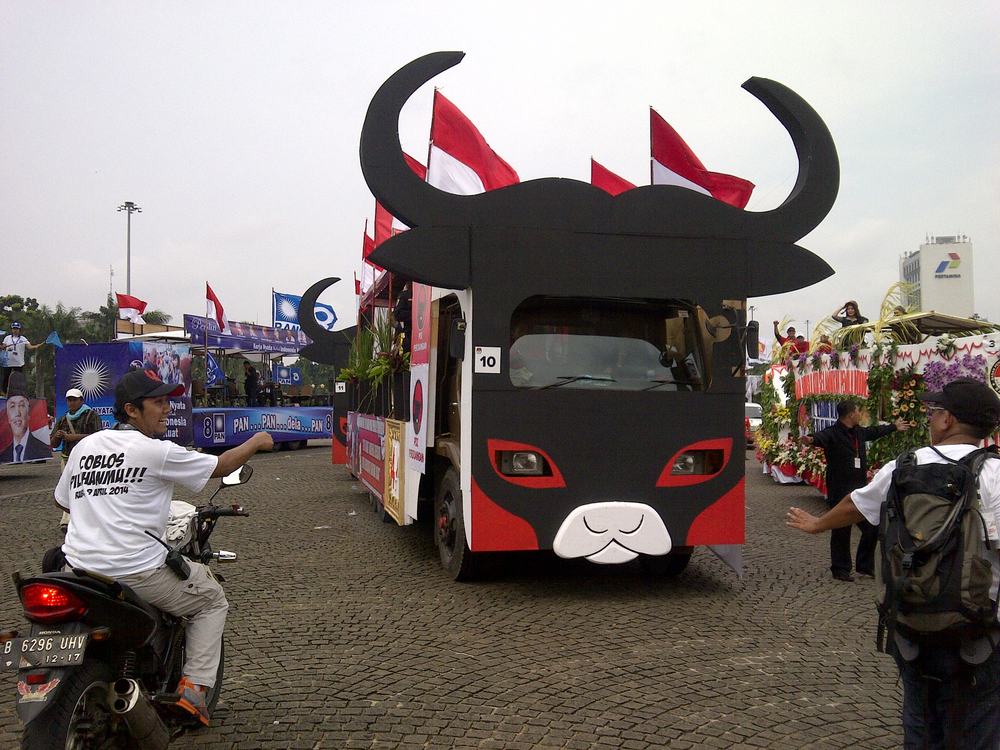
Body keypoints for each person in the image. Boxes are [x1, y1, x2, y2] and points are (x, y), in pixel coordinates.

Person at [54, 369, 274, 725]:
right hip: (136, 572)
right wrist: (255, 442)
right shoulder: (154, 451)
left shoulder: (84, 447)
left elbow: (62, 501)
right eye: (158, 402)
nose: (167, 409)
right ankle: (194, 691)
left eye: (168, 401)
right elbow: (221, 465)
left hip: (76, 572)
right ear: (131, 410)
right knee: (211, 599)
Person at [787, 378, 1000, 747]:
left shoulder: (904, 466)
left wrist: (818, 524)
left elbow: (857, 504)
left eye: (933, 412)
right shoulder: (995, 475)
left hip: (911, 623)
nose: (930, 419)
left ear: (947, 420)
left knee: (919, 721)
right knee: (979, 729)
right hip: (981, 631)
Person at [800, 399, 910, 580]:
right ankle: (840, 569)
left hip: (859, 490)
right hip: (839, 489)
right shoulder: (833, 433)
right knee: (841, 530)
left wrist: (893, 427)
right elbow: (820, 438)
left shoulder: (858, 432)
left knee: (872, 526)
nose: (861, 414)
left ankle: (864, 565)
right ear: (851, 414)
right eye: (859, 411)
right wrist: (810, 439)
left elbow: (874, 432)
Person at [0, 373, 51, 463]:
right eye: (12, 406)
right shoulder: (4, 455)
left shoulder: (42, 450)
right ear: (7, 416)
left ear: (28, 413)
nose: (17, 413)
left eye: (22, 405)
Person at [50, 388, 103, 466]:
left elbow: (99, 437)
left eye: (74, 400)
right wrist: (57, 436)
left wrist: (74, 437)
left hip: (87, 459)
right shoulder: (63, 419)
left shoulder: (91, 416)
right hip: (67, 460)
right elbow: (54, 445)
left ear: (81, 401)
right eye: (69, 400)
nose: (72, 403)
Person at [2, 321, 44, 395]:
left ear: (19, 330)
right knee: (6, 378)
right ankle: (4, 393)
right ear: (11, 329)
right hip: (8, 362)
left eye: (17, 329)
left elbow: (30, 347)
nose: (15, 330)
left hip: (18, 363)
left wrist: (37, 346)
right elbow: (2, 347)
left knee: (18, 379)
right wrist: (3, 347)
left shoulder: (23, 339)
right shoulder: (7, 338)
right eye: (14, 328)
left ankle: (18, 394)